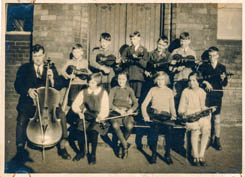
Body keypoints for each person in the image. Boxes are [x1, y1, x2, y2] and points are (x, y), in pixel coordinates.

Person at [14, 44, 71, 160]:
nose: (38, 59)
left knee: (61, 115)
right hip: (30, 102)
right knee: (22, 118)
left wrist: (52, 79)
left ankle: (62, 146)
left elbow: (59, 86)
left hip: (49, 105)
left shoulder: (50, 67)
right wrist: (27, 90)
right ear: (32, 56)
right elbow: (17, 85)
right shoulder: (24, 68)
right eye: (35, 56)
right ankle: (20, 149)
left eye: (40, 55)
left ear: (44, 55)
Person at [72, 73, 110, 164]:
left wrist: (101, 116)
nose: (90, 84)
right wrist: (79, 112)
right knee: (80, 131)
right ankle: (82, 152)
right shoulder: (84, 91)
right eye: (89, 82)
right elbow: (75, 105)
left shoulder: (103, 92)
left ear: (98, 83)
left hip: (97, 117)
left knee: (94, 132)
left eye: (92, 83)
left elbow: (105, 108)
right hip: (86, 115)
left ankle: (93, 154)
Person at [141, 71, 177, 165]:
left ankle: (167, 154)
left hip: (166, 116)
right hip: (155, 115)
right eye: (158, 80)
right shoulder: (153, 90)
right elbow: (144, 105)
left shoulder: (169, 91)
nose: (160, 82)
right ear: (156, 80)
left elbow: (172, 107)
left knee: (170, 129)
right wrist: (145, 115)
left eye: (162, 80)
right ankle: (154, 154)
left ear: (166, 80)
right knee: (155, 128)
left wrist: (174, 116)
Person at [178, 72, 212, 166]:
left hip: (200, 116)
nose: (191, 83)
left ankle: (201, 155)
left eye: (194, 80)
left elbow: (203, 108)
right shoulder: (185, 91)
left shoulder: (202, 92)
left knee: (206, 129)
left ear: (198, 81)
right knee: (195, 129)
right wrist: (183, 114)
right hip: (189, 116)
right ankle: (195, 156)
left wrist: (208, 110)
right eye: (190, 80)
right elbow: (181, 108)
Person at [198, 46, 228, 151]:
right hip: (207, 95)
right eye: (210, 56)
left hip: (217, 95)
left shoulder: (222, 67)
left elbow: (224, 84)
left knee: (217, 118)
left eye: (214, 55)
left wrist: (223, 79)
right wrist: (205, 82)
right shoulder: (203, 67)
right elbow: (199, 79)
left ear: (218, 56)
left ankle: (217, 140)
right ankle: (208, 140)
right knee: (207, 118)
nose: (212, 58)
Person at [109, 71, 138, 159]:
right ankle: (125, 146)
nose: (121, 81)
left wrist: (131, 110)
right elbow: (109, 103)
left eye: (123, 79)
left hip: (126, 112)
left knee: (129, 126)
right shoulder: (113, 89)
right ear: (117, 79)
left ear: (126, 80)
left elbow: (136, 104)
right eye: (119, 79)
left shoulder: (130, 90)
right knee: (115, 125)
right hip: (115, 112)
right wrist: (117, 110)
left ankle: (121, 144)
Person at [121, 31, 149, 103]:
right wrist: (126, 60)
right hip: (129, 75)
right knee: (129, 95)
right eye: (131, 39)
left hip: (138, 76)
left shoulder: (143, 50)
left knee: (137, 96)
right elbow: (123, 60)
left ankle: (136, 111)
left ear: (139, 38)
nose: (133, 41)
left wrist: (137, 59)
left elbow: (145, 64)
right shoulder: (127, 49)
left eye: (135, 39)